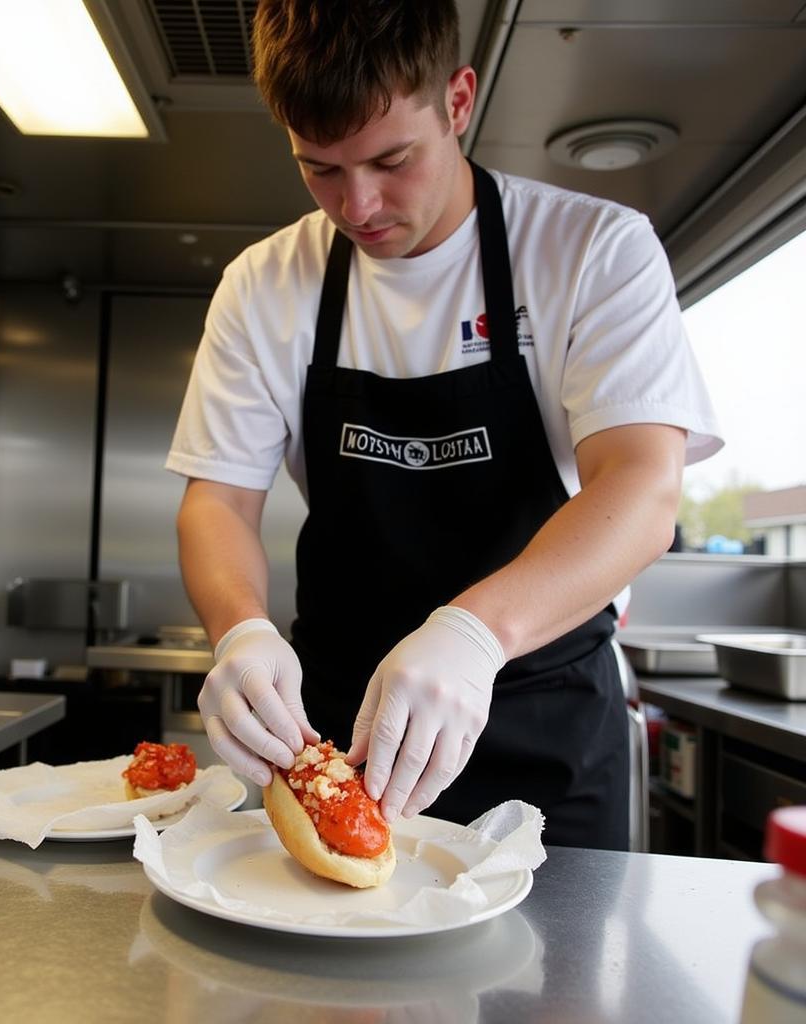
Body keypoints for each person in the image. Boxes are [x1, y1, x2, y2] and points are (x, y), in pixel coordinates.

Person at [165, 0, 722, 850]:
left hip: (544, 718)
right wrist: (240, 629)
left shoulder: (592, 250)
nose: (359, 204)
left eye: (392, 159)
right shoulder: (264, 284)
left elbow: (642, 489)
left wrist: (472, 634)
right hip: (344, 728)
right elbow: (220, 502)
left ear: (458, 102)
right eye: (319, 169)